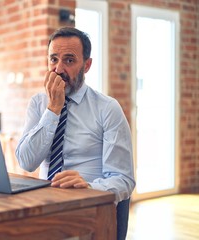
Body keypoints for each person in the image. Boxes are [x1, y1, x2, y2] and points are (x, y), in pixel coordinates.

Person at [15, 27, 135, 240]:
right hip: (46, 207)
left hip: (89, 211)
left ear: (86, 65)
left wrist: (89, 186)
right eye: (53, 60)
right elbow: (26, 162)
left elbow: (123, 178)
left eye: (69, 60)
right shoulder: (38, 104)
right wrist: (53, 109)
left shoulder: (107, 108)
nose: (58, 69)